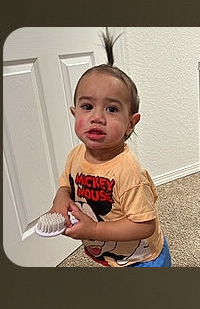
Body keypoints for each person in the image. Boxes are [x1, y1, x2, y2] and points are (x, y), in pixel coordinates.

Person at [48, 30, 171, 267]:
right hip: (109, 253)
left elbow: (145, 225)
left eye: (111, 109)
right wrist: (60, 199)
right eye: (87, 106)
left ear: (130, 123)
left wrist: (94, 228)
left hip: (141, 260)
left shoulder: (128, 172)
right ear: (74, 113)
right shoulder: (76, 155)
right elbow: (66, 183)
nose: (97, 117)